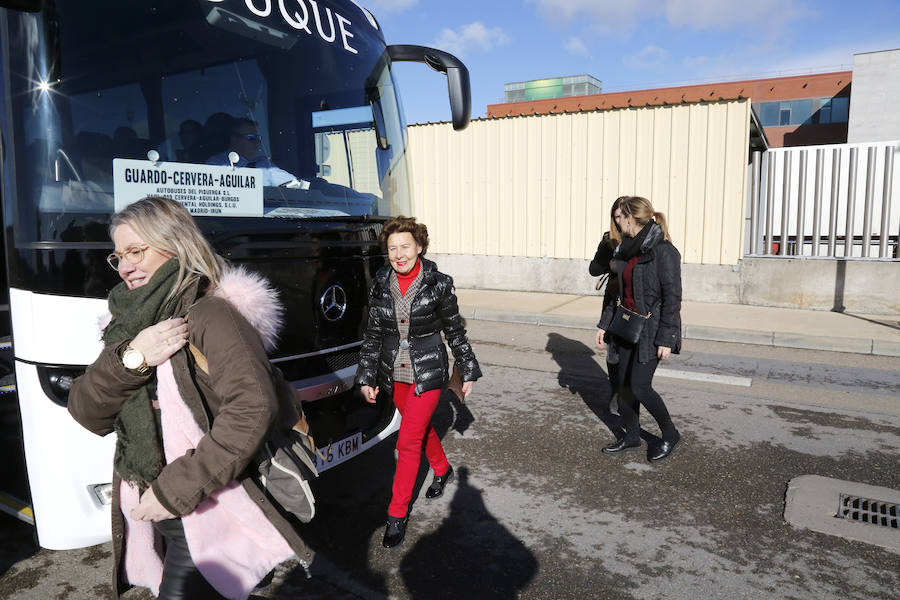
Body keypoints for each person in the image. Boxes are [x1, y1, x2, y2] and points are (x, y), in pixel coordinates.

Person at [68, 196, 313, 599]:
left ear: (175, 244)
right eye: (118, 256)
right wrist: (133, 358)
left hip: (206, 508)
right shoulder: (124, 324)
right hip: (161, 506)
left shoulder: (212, 314)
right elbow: (85, 410)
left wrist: (173, 492)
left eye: (136, 251)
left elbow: (253, 409)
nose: (125, 267)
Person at [355, 216, 482, 548]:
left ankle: (396, 514)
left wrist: (467, 368)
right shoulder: (381, 283)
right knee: (419, 428)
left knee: (407, 441)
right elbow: (373, 335)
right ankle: (442, 468)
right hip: (393, 372)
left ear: (420, 247)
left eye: (405, 247)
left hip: (427, 370)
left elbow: (455, 330)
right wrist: (367, 375)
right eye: (392, 248)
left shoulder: (439, 284)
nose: (399, 255)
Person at [595, 196, 682, 462]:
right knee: (623, 386)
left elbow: (672, 297)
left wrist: (667, 338)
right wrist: (604, 325)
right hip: (624, 325)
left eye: (620, 217)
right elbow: (615, 293)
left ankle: (670, 434)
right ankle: (632, 436)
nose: (617, 222)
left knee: (640, 387)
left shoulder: (663, 251)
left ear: (631, 218)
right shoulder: (625, 249)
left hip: (651, 330)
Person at [206, 117, 298, 187]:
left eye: (258, 138)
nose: (257, 143)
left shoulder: (264, 165)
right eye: (251, 138)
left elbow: (294, 185)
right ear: (234, 139)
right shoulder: (216, 164)